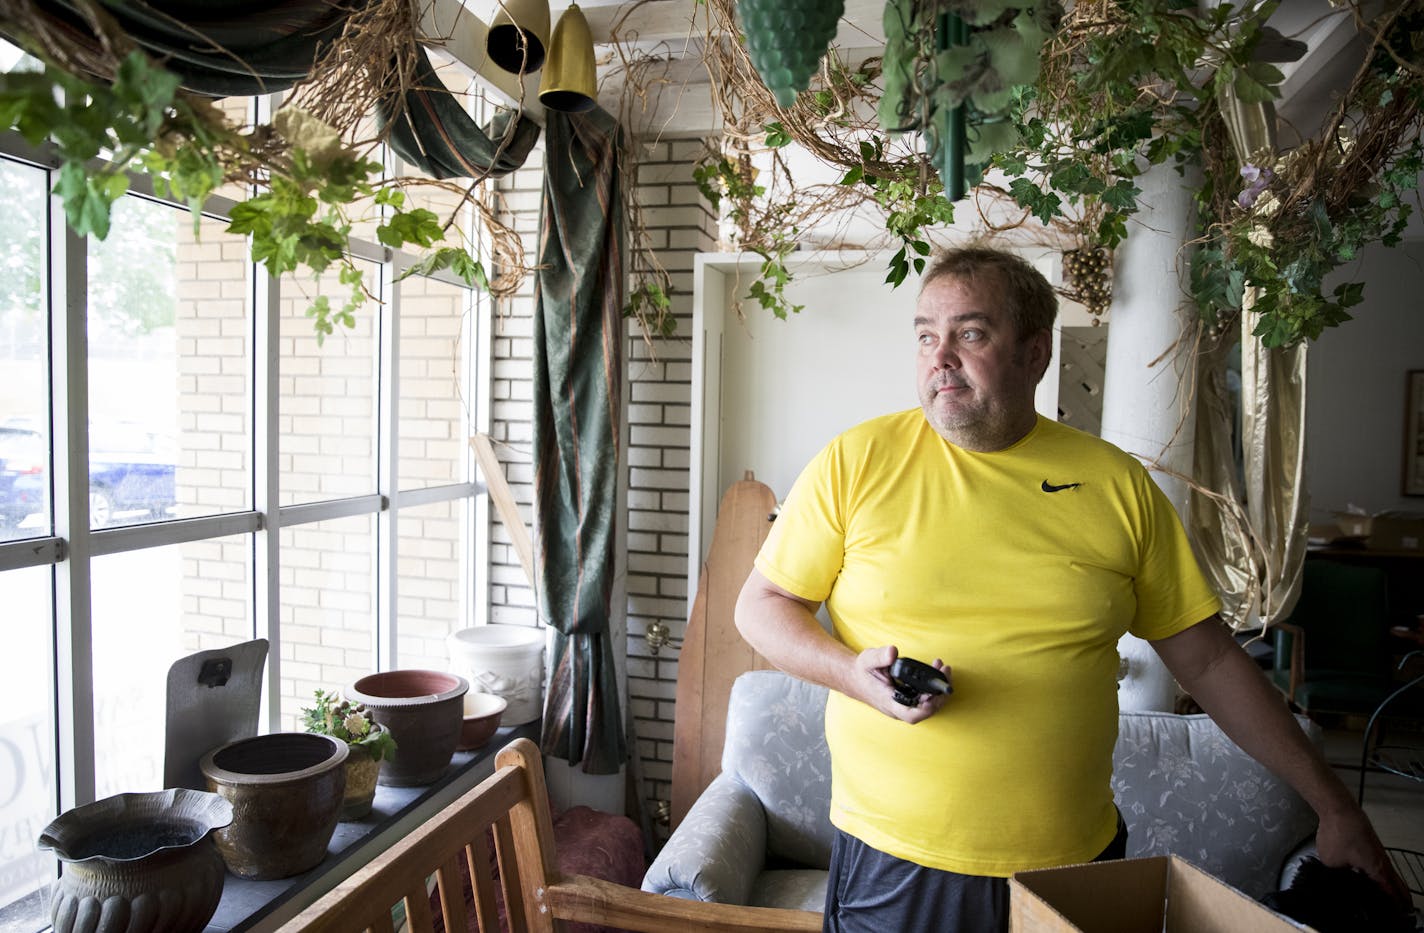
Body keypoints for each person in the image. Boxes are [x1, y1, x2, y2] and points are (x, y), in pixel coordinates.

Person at [734, 246, 1406, 932]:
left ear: (1035, 353)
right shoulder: (855, 462)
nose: (940, 356)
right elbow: (760, 608)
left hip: (1070, 863)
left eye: (970, 333)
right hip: (898, 859)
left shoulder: (1118, 487)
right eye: (925, 336)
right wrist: (850, 672)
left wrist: (1336, 806)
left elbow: (1209, 661)